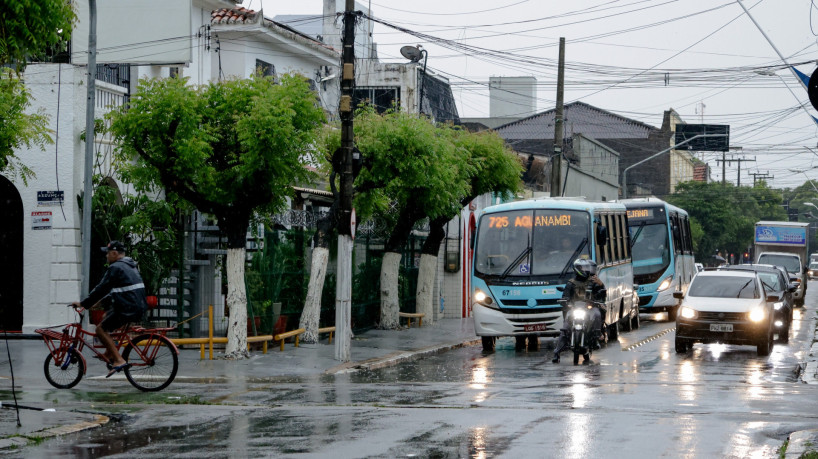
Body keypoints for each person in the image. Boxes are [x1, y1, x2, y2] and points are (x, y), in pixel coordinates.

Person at [72, 240, 147, 377]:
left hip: (127, 307)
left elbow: (101, 288)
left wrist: (84, 304)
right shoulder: (129, 265)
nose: (106, 256)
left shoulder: (116, 267)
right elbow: (117, 290)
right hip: (136, 305)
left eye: (107, 253)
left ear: (114, 253)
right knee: (106, 316)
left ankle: (118, 359)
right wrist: (98, 303)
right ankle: (110, 352)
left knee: (100, 329)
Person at [552, 258, 606, 364]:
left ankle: (596, 338)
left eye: (587, 268)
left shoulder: (593, 281)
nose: (586, 270)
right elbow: (565, 296)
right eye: (583, 268)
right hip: (574, 309)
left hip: (589, 308)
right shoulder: (570, 283)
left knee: (597, 313)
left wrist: (601, 285)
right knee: (565, 328)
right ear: (577, 269)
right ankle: (557, 353)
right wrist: (565, 302)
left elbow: (602, 294)